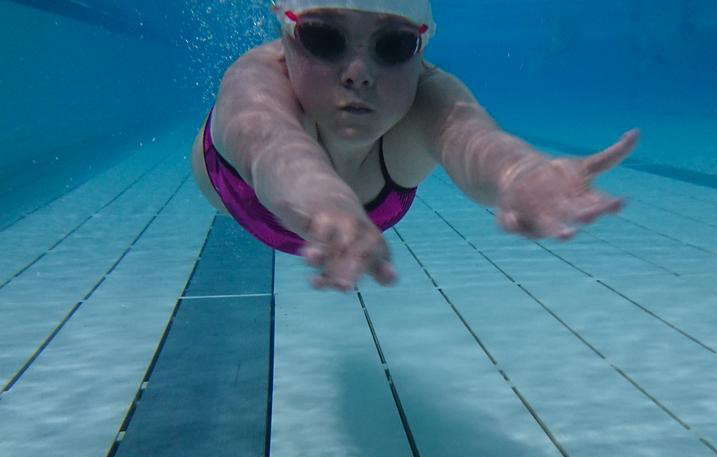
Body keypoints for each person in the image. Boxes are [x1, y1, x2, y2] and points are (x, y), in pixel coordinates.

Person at [190, 0, 639, 292]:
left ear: (421, 47)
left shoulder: (428, 95)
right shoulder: (254, 82)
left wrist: (520, 175)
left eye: (394, 44)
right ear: (286, 34)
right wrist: (327, 203)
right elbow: (274, 148)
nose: (358, 72)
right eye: (324, 37)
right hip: (239, 193)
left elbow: (472, 138)